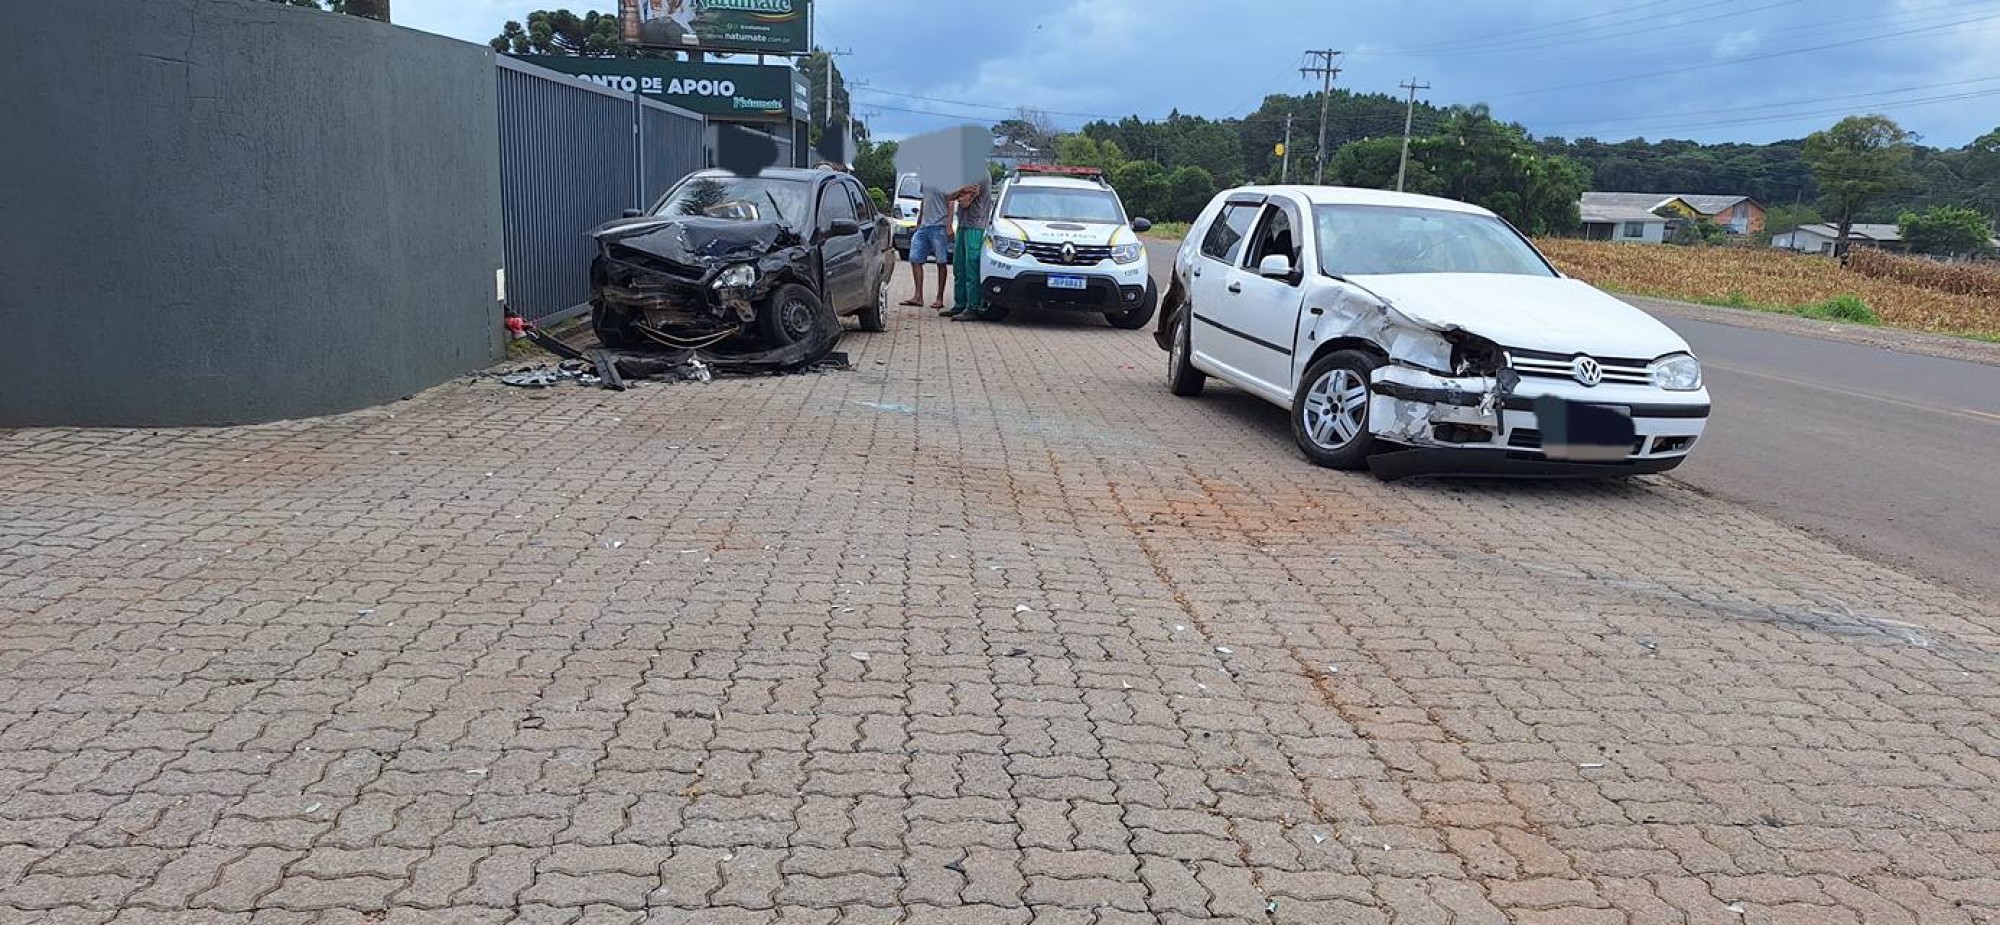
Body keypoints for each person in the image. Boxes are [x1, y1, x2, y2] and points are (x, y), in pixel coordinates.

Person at [945, 176, 994, 320]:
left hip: (975, 226)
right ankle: (960, 304)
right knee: (959, 267)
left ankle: (973, 306)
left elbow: (964, 202)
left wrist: (958, 192)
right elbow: (948, 196)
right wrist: (962, 190)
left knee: (971, 267)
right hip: (963, 224)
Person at [900, 183, 951, 312]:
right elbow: (924, 200)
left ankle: (939, 298)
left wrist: (949, 225)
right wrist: (918, 222)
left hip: (939, 226)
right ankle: (918, 296)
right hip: (924, 226)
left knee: (941, 262)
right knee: (915, 258)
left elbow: (950, 203)